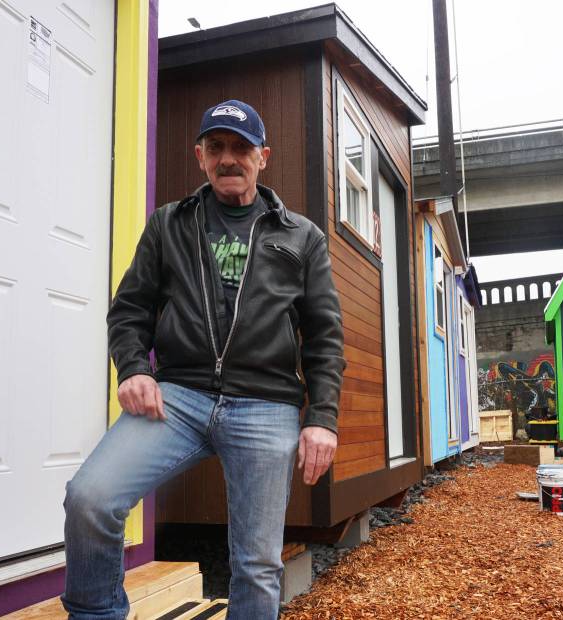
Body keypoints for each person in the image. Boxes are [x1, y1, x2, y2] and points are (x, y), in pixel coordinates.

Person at [61, 99, 345, 620]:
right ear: (199, 156)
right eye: (216, 147)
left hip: (266, 404)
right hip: (179, 399)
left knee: (257, 565)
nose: (229, 159)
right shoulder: (169, 224)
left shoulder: (301, 237)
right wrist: (133, 369)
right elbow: (129, 311)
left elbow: (325, 336)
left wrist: (322, 419)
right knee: (90, 499)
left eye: (241, 148)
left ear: (264, 156)